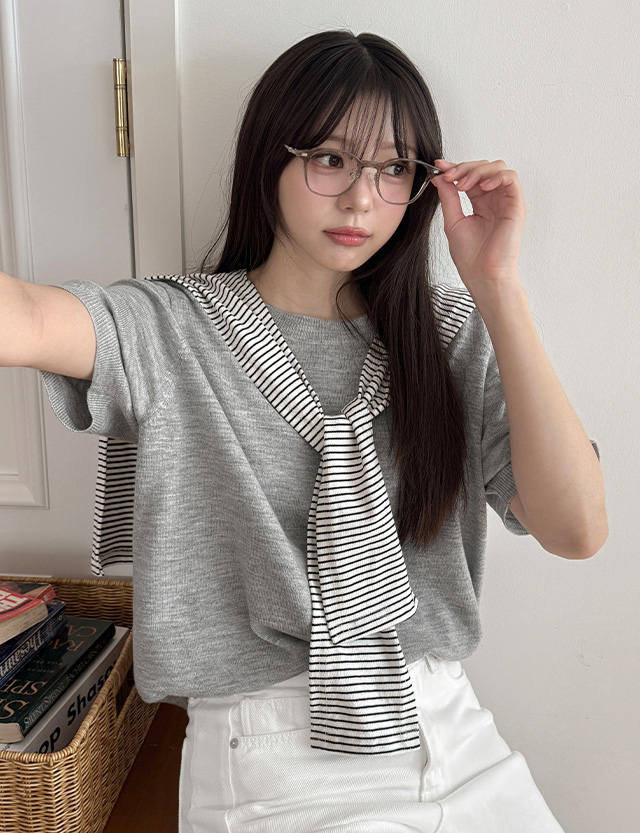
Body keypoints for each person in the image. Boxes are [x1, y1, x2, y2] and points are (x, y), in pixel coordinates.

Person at [0, 29, 607, 833]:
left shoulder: (447, 335)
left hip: (452, 729)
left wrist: (499, 287)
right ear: (271, 159)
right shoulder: (171, 327)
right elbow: (26, 316)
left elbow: (576, 529)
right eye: (330, 158)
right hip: (272, 754)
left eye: (394, 168)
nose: (361, 199)